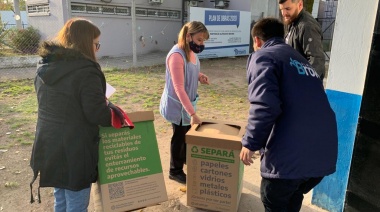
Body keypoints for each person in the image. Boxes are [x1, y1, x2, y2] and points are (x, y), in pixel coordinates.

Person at [240, 17, 338, 212]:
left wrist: (250, 143)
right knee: (292, 199)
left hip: (290, 161)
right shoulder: (299, 60)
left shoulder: (263, 56)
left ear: (257, 41)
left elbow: (265, 105)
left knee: (274, 200)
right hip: (321, 156)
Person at [29, 18, 125, 211]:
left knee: (61, 199)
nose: (97, 49)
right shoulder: (87, 71)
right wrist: (114, 113)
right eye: (96, 44)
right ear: (85, 43)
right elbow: (97, 114)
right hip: (75, 148)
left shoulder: (45, 66)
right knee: (77, 203)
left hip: (49, 144)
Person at [159, 21, 210, 184]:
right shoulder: (176, 55)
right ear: (188, 36)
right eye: (199, 40)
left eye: (203, 41)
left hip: (187, 104)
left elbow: (189, 69)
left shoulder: (191, 52)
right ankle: (175, 170)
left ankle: (187, 159)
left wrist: (199, 75)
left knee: (186, 134)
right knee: (179, 136)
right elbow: (179, 87)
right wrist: (192, 114)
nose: (202, 44)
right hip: (178, 105)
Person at [279, 0, 326, 80]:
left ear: (300, 4)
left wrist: (304, 85)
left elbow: (316, 60)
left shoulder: (308, 26)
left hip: (301, 84)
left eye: (287, 9)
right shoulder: (291, 20)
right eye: (281, 9)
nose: (284, 14)